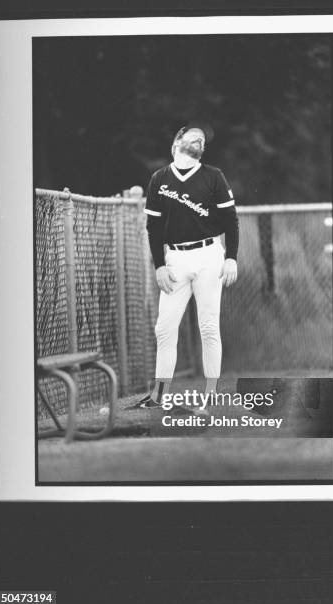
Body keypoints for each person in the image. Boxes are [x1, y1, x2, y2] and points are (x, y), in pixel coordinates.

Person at [138, 122, 239, 413]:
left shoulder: (213, 176)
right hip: (175, 260)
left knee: (208, 326)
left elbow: (231, 220)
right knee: (165, 327)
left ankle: (210, 397)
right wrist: (159, 266)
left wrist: (231, 256)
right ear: (177, 142)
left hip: (209, 255)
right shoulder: (159, 178)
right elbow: (153, 227)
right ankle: (159, 396)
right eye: (191, 136)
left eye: (202, 139)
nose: (198, 139)